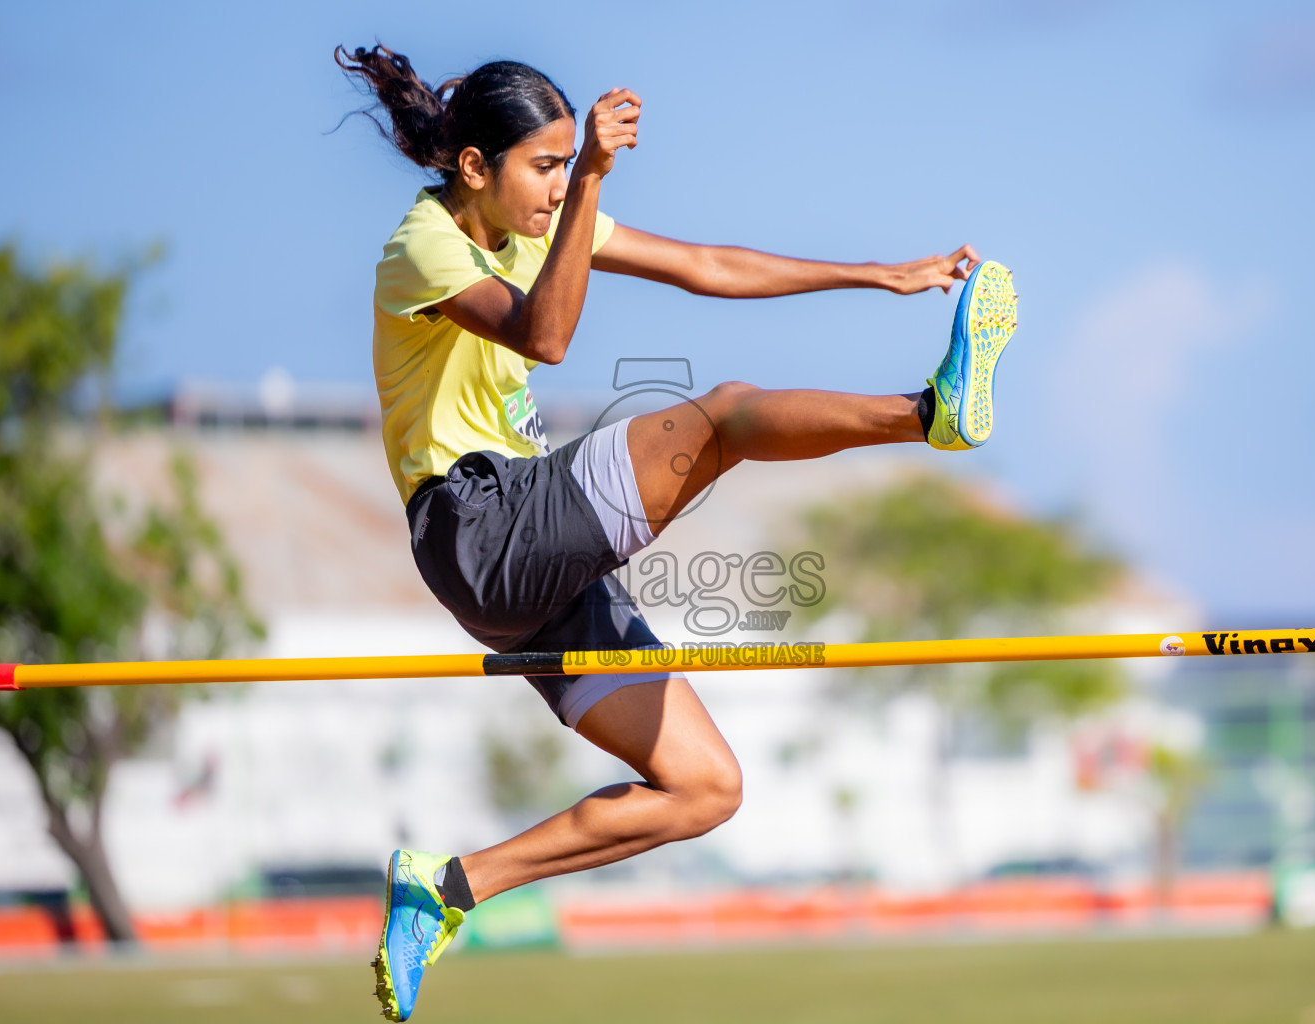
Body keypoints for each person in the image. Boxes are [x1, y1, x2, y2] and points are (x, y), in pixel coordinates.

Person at [335, 44, 1017, 1021]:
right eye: (544, 167)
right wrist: (596, 186)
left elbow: (705, 265)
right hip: (477, 525)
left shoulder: (539, 220)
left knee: (702, 787)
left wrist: (877, 276)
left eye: (569, 165)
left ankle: (444, 889)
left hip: (530, 559)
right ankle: (927, 414)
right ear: (475, 167)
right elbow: (545, 337)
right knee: (727, 416)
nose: (558, 187)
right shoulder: (424, 247)